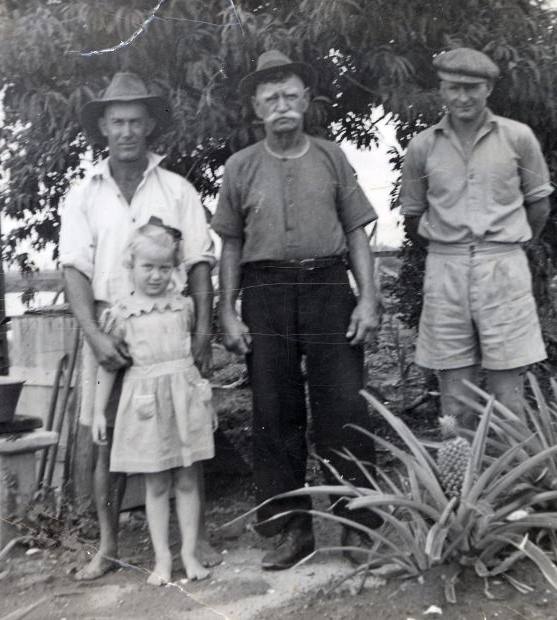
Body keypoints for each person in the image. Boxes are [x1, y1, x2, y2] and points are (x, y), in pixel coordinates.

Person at [212, 50, 383, 570]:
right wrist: (228, 310)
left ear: (306, 102)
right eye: (271, 98)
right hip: (265, 296)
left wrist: (369, 298)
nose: (281, 106)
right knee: (274, 415)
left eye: (290, 96)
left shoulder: (332, 157)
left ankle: (357, 527)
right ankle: (292, 530)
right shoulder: (240, 167)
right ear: (256, 107)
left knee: (344, 410)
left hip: (329, 288)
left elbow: (357, 233)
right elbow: (230, 247)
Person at [59, 71, 219, 580]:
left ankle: (195, 542)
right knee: (103, 437)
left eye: (135, 121)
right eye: (116, 122)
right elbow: (73, 269)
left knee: (183, 427)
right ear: (103, 126)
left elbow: (197, 263)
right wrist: (94, 335)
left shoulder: (177, 190)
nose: (126, 131)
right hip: (111, 322)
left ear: (149, 125)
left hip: (170, 328)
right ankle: (106, 545)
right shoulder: (84, 194)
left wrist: (201, 333)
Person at [399, 48, 554, 426]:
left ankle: (519, 479)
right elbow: (414, 215)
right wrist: (451, 248)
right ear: (441, 89)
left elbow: (539, 207)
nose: (462, 98)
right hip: (445, 268)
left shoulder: (518, 138)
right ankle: (463, 483)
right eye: (453, 88)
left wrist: (502, 248)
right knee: (455, 395)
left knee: (509, 392)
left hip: (503, 265)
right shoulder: (422, 146)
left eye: (472, 88)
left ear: (488, 90)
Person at [91, 222, 216, 585]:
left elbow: (195, 353)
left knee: (189, 479)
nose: (157, 276)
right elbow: (107, 367)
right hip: (146, 407)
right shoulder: (122, 314)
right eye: (148, 267)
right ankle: (162, 559)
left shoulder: (184, 307)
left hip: (184, 400)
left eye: (165, 268)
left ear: (175, 268)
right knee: (156, 483)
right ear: (131, 265)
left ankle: (189, 554)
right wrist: (99, 410)